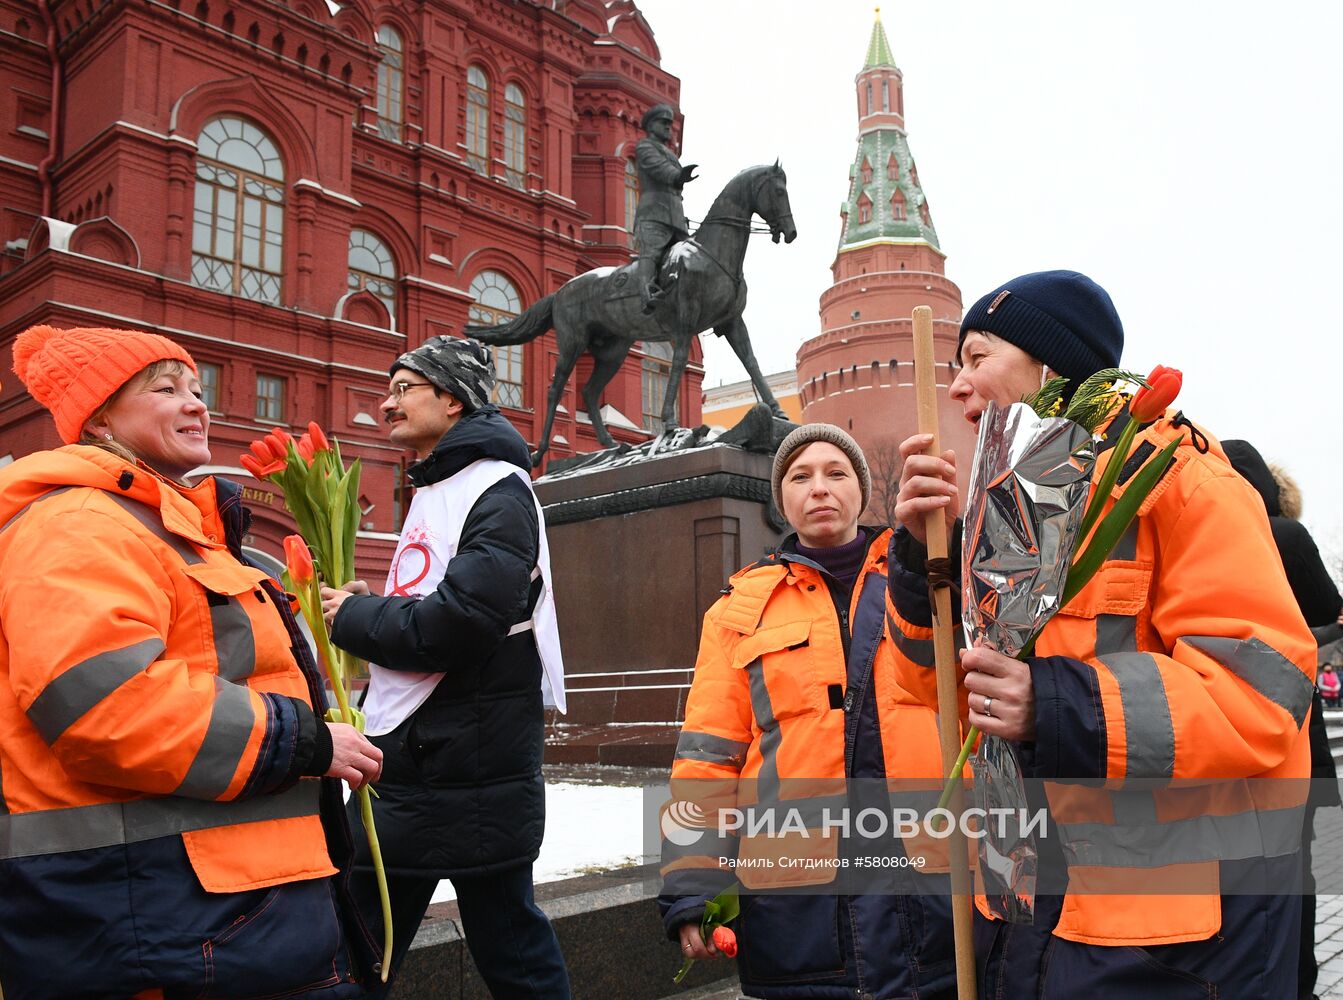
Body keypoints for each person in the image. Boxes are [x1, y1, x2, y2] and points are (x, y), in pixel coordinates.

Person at [890, 271, 1316, 997]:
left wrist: (1052, 704)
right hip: (1032, 906)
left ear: (1048, 365)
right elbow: (931, 691)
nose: (956, 387)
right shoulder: (1006, 507)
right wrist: (916, 556)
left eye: (974, 357)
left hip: (1171, 940)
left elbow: (1261, 688)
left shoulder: (1180, 480)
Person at [0, 324, 384, 998]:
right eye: (166, 389)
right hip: (166, 925)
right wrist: (308, 743)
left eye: (198, 389)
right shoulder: (81, 525)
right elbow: (109, 706)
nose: (196, 403)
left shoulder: (165, 527)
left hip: (217, 916)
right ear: (98, 417)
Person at [659, 423, 956, 999]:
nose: (819, 488)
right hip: (797, 897)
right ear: (782, 499)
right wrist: (694, 882)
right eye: (801, 476)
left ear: (863, 491)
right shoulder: (739, 607)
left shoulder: (926, 576)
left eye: (836, 473)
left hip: (932, 878)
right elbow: (708, 755)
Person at [318, 336, 569, 998]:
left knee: (492, 949)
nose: (386, 400)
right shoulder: (448, 486)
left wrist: (350, 621)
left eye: (404, 387)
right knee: (371, 942)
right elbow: (442, 605)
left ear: (451, 400)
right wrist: (375, 607)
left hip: (461, 768)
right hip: (431, 766)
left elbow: (458, 625)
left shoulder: (494, 490)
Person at [1224, 440, 1343, 1000]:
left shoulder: (1208, 530)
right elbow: (1326, 609)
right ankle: (1298, 985)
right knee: (1298, 875)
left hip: (1222, 726)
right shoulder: (1285, 535)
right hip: (1292, 727)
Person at [634, 102, 697, 313]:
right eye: (664, 123)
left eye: (670, 124)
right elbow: (658, 169)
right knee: (651, 253)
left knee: (688, 256)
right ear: (651, 125)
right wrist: (678, 176)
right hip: (654, 214)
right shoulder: (644, 147)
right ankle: (647, 295)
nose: (669, 128)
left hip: (675, 216)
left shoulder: (667, 152)